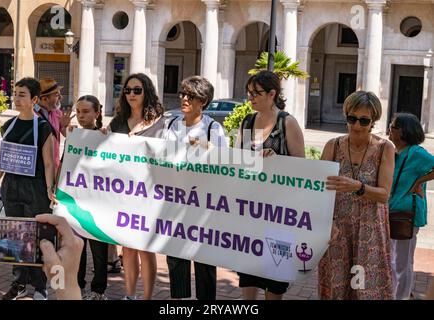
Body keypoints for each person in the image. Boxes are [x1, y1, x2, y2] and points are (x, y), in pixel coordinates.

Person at [318, 91, 395, 300]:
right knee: (337, 288)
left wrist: (358, 187)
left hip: (369, 233)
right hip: (337, 229)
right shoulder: (333, 146)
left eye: (364, 120)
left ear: (373, 122)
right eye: (352, 119)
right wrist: (326, 223)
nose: (357, 126)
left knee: (366, 290)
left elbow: (384, 195)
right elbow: (317, 189)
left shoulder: (384, 148)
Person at [235, 70, 305, 300]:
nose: (251, 98)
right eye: (249, 93)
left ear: (272, 94)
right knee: (248, 275)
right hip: (250, 210)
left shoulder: (287, 122)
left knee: (274, 281)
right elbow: (239, 162)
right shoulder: (248, 121)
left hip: (280, 213)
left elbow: (302, 170)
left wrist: (277, 159)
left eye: (257, 93)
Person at [0, 77, 56, 300]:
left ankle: (40, 287)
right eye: (15, 93)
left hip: (35, 189)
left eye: (22, 94)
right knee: (16, 238)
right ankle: (19, 284)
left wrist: (49, 189)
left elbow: (48, 162)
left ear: (34, 99)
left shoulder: (44, 127)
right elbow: (3, 158)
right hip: (11, 188)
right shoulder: (8, 126)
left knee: (35, 238)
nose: (16, 98)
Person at [163, 75, 228, 300]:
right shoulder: (171, 124)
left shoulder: (213, 128)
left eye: (190, 96)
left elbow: (224, 163)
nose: (184, 99)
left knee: (204, 260)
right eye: (182, 93)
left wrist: (204, 146)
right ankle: (179, 301)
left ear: (203, 101)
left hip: (203, 204)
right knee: (175, 257)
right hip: (175, 201)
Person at [109, 73, 165, 300]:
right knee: (127, 248)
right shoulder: (117, 122)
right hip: (123, 194)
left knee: (145, 247)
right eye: (128, 90)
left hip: (148, 194)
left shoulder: (160, 123)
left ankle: (147, 297)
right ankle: (130, 295)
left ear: (147, 93)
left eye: (137, 90)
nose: (131, 94)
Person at [67, 95, 109, 300]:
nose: (81, 116)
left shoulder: (105, 136)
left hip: (98, 203)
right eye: (79, 112)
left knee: (99, 249)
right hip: (75, 201)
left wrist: (105, 137)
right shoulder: (73, 135)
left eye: (86, 112)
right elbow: (65, 164)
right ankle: (79, 285)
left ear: (97, 113)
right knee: (78, 247)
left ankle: (98, 290)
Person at [388, 113, 434, 300]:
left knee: (403, 262)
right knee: (393, 260)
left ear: (402, 132)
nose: (390, 129)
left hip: (406, 214)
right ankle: (396, 293)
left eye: (393, 126)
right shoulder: (397, 152)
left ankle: (402, 296)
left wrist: (419, 182)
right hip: (393, 211)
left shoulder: (415, 152)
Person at [35, 77, 75, 170]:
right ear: (45, 98)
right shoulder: (31, 114)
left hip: (53, 166)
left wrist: (66, 126)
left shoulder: (58, 113)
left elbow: (66, 134)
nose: (61, 97)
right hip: (37, 168)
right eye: (56, 94)